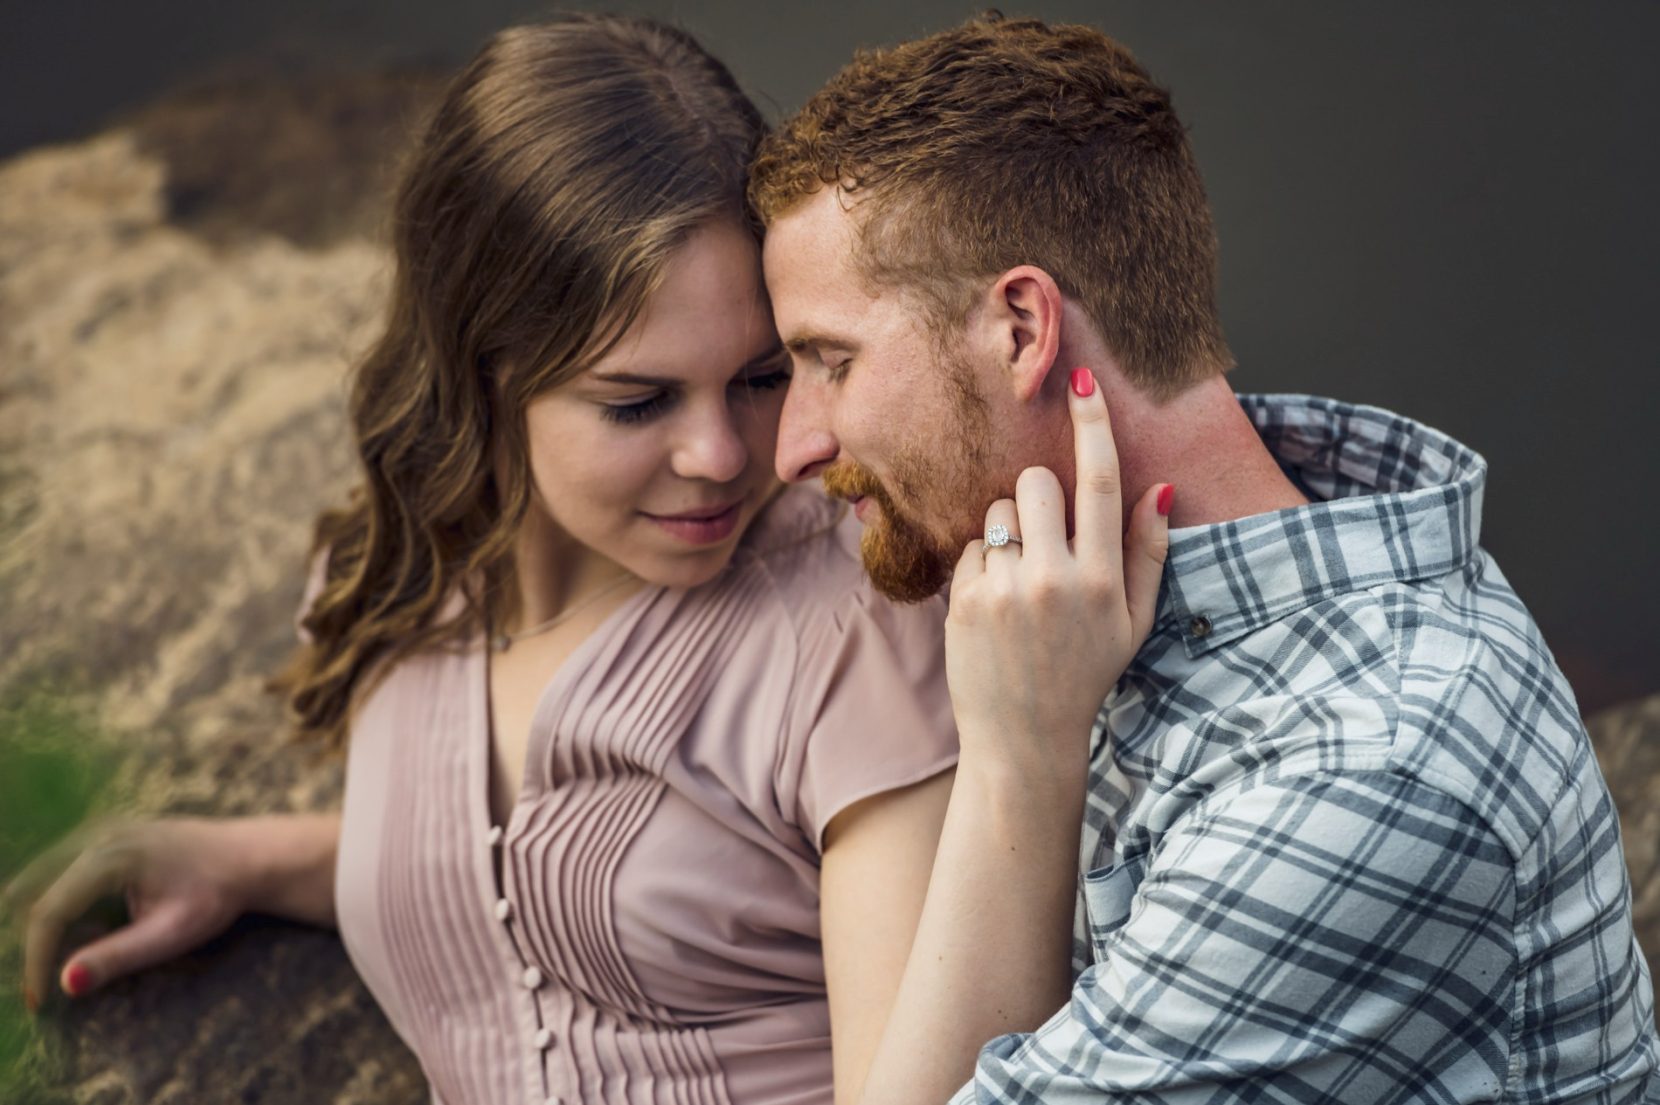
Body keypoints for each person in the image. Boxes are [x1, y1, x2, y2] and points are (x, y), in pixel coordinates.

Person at [1, 14, 1170, 1105]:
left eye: (764, 377)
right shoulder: (397, 591)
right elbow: (533, 875)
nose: (722, 454)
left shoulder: (853, 616)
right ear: (484, 372)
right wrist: (266, 860)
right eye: (635, 401)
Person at [751, 13, 1660, 1104]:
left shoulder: (1360, 771)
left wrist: (1013, 769)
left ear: (1020, 332)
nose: (793, 445)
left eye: (829, 361)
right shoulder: (1084, 598)